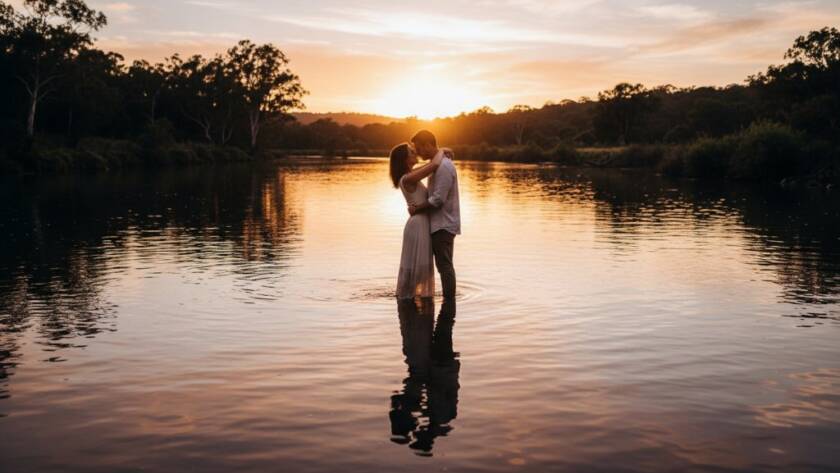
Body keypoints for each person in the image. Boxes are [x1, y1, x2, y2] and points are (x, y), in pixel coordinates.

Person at [407, 130, 461, 300]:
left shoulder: (444, 167)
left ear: (427, 145)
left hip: (443, 224)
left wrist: (418, 208)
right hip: (438, 224)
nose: (418, 153)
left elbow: (438, 199)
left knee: (444, 265)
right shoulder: (436, 164)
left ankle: (449, 302)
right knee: (443, 265)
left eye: (419, 148)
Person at [389, 142, 444, 299]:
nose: (416, 153)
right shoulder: (408, 178)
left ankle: (410, 301)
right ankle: (409, 303)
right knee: (418, 269)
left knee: (419, 269)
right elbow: (434, 165)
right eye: (411, 152)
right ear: (405, 159)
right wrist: (441, 150)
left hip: (420, 223)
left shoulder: (411, 175)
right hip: (418, 224)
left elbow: (431, 165)